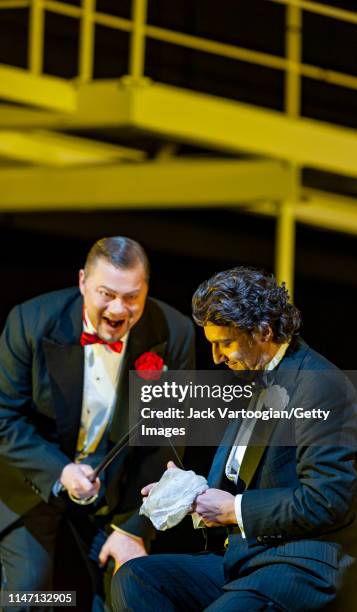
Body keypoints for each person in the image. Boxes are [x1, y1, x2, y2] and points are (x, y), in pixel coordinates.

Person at [112, 266, 357, 612]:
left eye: (225, 343)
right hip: (249, 562)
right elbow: (239, 479)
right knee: (137, 577)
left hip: (303, 569)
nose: (217, 357)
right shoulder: (258, 380)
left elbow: (326, 500)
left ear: (263, 331)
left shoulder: (321, 386)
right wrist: (188, 492)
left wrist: (233, 510)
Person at [0, 236, 195, 610]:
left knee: (126, 594)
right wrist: (61, 471)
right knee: (30, 595)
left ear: (146, 291)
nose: (118, 310)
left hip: (120, 493)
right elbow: (5, 418)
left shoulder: (174, 332)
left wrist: (133, 528)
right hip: (34, 482)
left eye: (131, 297)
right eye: (107, 294)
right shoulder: (30, 321)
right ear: (82, 283)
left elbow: (166, 438)